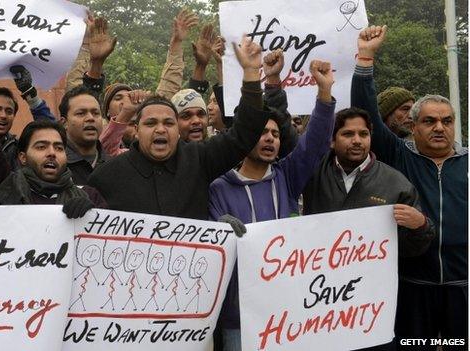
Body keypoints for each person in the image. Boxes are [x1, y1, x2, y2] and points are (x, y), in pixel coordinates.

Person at [351, 25, 467, 348]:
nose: (440, 128)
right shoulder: (400, 157)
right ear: (412, 126)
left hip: (464, 288)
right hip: (413, 287)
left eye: (447, 120)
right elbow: (367, 113)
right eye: (429, 121)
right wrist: (365, 58)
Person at [209, 57, 337, 350]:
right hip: (239, 318)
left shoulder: (286, 177)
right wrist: (218, 230)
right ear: (243, 137)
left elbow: (315, 143)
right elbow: (208, 246)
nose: (270, 139)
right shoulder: (217, 187)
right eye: (262, 132)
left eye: (276, 134)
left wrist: (324, 92)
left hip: (289, 310)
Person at [88, 35, 272, 221]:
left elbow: (245, 132)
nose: (160, 129)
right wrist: (75, 207)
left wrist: (250, 73)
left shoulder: (199, 159)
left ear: (177, 130)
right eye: (151, 123)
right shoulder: (107, 175)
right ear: (136, 129)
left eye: (168, 123)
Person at [302, 107, 436, 350]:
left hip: (371, 307)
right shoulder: (312, 173)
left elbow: (411, 249)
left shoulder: (396, 183)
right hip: (319, 301)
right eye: (347, 134)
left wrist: (421, 226)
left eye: (363, 134)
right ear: (332, 140)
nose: (357, 141)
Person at [0, 31, 106, 215]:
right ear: (22, 157)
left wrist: (91, 217)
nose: (51, 153)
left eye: (58, 148)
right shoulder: (6, 188)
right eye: (41, 147)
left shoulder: (89, 197)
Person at [58, 85, 110, 185]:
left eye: (96, 113)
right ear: (64, 122)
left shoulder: (115, 166)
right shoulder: (54, 166)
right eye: (81, 113)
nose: (90, 118)